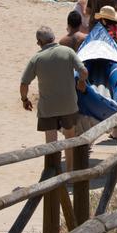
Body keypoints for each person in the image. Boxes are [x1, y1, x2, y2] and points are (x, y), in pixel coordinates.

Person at [20, 27, 89, 165]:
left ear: (39, 42)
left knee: (51, 144)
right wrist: (81, 82)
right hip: (68, 105)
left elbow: (24, 83)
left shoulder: (37, 58)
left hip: (48, 108)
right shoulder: (68, 52)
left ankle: (53, 174)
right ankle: (69, 172)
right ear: (53, 38)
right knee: (69, 139)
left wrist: (24, 99)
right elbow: (83, 71)